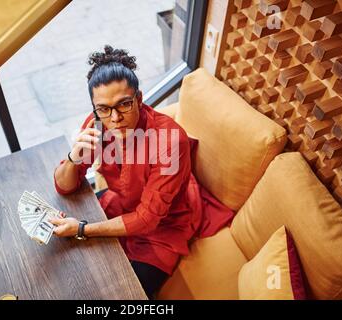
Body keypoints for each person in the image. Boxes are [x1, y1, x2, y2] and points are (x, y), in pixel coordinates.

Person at [51, 45, 234, 299]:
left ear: (138, 98)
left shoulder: (170, 141)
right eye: (103, 108)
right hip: (120, 204)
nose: (114, 118)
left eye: (124, 104)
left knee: (124, 295)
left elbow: (148, 219)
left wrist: (83, 229)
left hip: (164, 227)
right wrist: (73, 158)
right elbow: (64, 186)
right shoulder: (96, 124)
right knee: (69, 265)